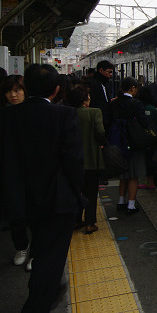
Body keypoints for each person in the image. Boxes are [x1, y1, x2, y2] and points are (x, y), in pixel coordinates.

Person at [0, 64, 84, 313]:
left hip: (18, 199)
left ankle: (41, 300)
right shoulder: (65, 115)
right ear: (57, 89)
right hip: (57, 201)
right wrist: (80, 196)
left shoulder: (3, 117)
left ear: (26, 86)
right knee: (49, 261)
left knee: (41, 255)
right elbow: (73, 161)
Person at [0, 74, 32, 268]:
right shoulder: (0, 116)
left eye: (17, 90)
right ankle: (21, 247)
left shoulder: (35, 114)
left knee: (36, 214)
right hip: (10, 172)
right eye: (9, 91)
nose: (13, 95)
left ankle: (35, 252)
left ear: (25, 92)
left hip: (34, 172)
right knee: (16, 214)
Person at [65, 85, 107, 234]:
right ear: (85, 100)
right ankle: (90, 223)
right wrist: (101, 142)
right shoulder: (94, 112)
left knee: (76, 191)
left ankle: (76, 220)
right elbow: (100, 132)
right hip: (91, 160)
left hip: (72, 162)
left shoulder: (66, 114)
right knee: (90, 192)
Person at [108, 77, 149, 214]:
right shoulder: (136, 104)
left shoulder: (114, 103)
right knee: (133, 175)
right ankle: (131, 205)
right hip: (133, 143)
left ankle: (121, 201)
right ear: (133, 88)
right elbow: (145, 123)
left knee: (123, 175)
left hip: (118, 143)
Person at [88, 60, 114, 127]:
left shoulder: (104, 84)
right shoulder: (93, 84)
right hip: (98, 119)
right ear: (101, 70)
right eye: (109, 72)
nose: (111, 74)